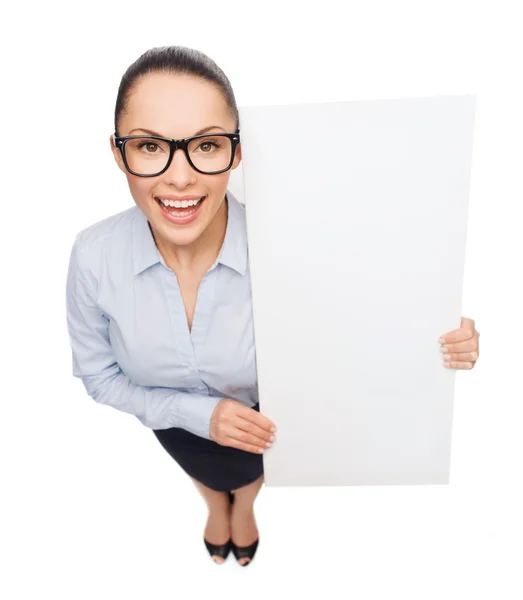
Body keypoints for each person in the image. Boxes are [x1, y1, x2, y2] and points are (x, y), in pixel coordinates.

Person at [65, 45, 481, 568]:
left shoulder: (296, 239)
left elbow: (362, 323)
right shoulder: (92, 255)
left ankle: (245, 509)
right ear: (118, 151)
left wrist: (435, 331)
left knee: (250, 476)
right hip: (171, 424)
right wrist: (195, 415)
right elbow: (100, 377)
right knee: (204, 475)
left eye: (207, 145)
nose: (179, 177)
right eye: (150, 146)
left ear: (236, 152)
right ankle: (216, 507)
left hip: (270, 424)